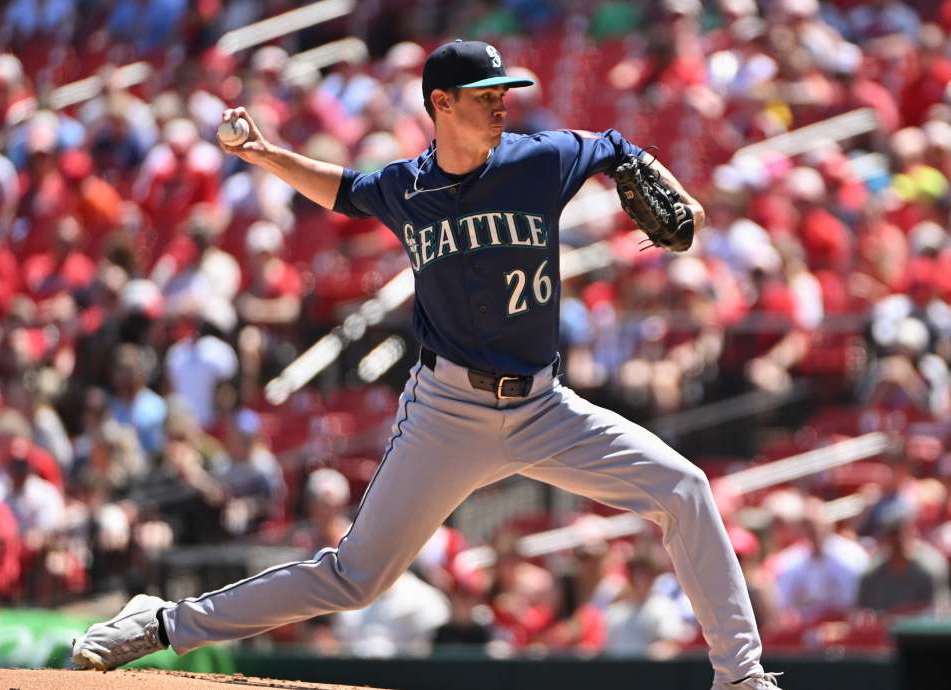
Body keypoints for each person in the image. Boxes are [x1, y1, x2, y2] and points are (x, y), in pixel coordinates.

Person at [73, 39, 777, 690]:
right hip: (447, 412)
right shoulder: (407, 187)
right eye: (486, 93)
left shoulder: (539, 161)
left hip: (544, 408)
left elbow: (615, 146)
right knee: (355, 577)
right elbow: (344, 189)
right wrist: (265, 155)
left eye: (505, 91)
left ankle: (741, 677)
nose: (503, 101)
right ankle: (161, 623)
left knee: (682, 487)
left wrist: (644, 171)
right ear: (441, 103)